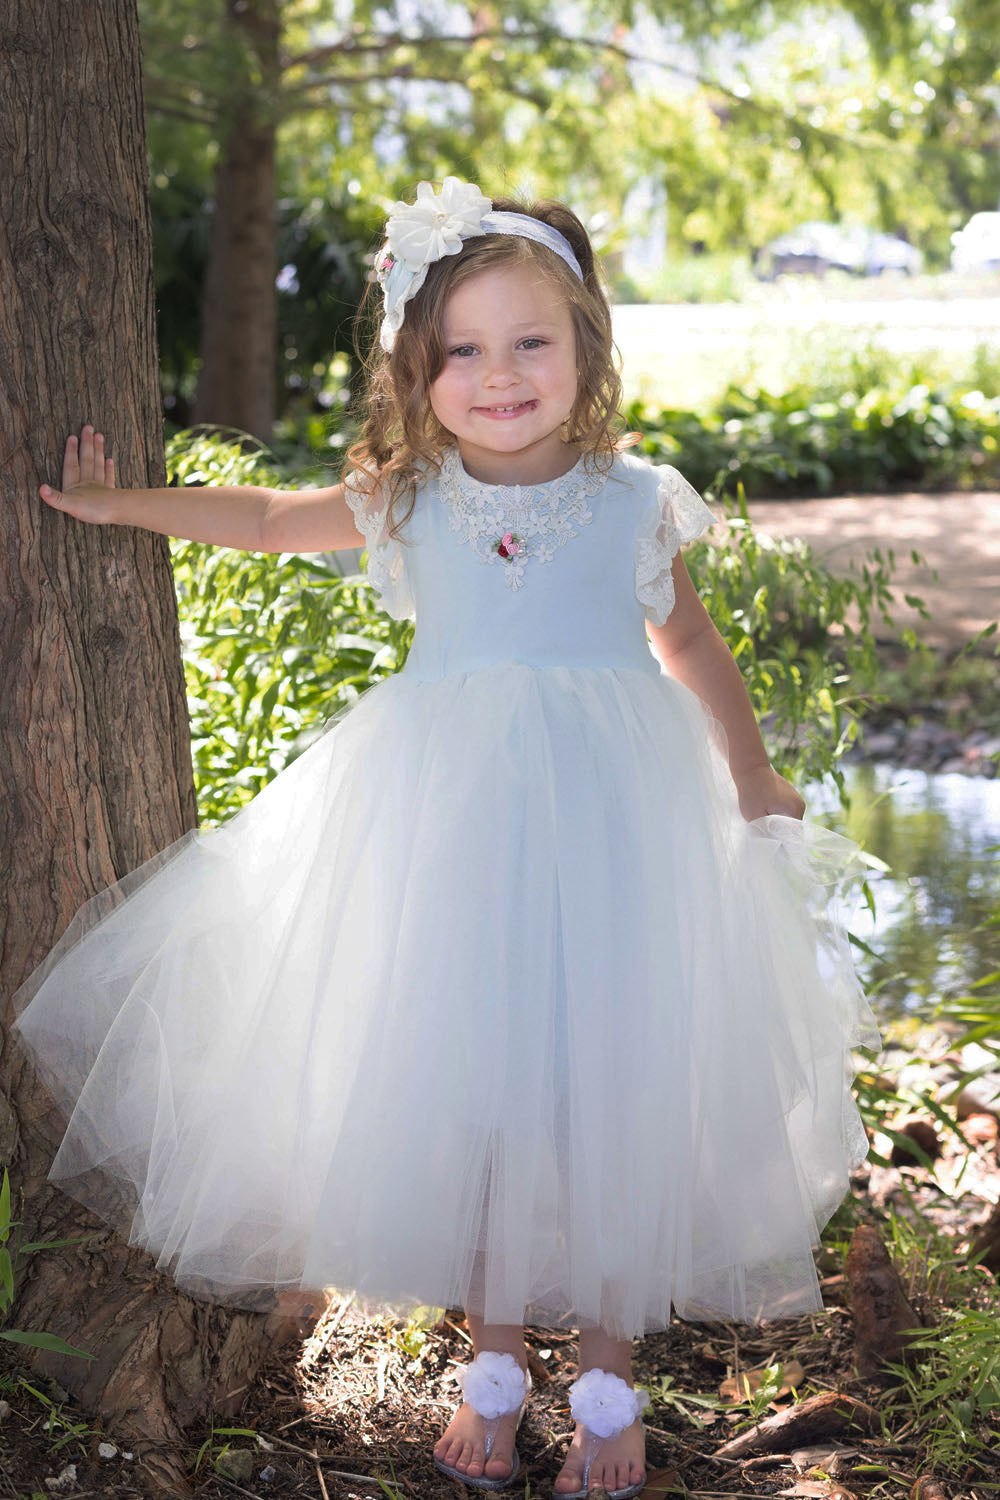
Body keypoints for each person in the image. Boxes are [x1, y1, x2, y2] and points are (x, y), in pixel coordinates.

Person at [13, 176, 879, 1499]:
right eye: (461, 351)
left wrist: (751, 768)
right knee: (475, 1093)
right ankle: (490, 1360)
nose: (500, 374)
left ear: (586, 345)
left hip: (617, 838)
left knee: (609, 1098)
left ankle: (606, 1381)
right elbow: (262, 522)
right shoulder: (408, 499)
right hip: (448, 838)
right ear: (416, 377)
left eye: (531, 341)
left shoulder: (632, 495)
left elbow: (688, 641)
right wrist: (121, 505)